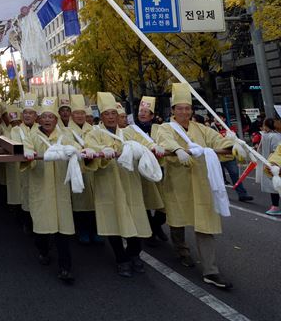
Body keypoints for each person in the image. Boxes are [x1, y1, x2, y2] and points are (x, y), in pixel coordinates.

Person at [157, 83, 245, 289]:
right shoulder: (165, 127)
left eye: (188, 108)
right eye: (180, 108)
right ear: (173, 110)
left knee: (205, 224)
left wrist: (233, 145)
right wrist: (178, 149)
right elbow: (164, 140)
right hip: (178, 183)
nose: (185, 112)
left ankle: (211, 271)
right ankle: (181, 250)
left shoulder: (201, 128)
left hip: (202, 182)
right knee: (178, 220)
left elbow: (217, 141)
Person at [84, 92, 160, 277]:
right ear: (101, 116)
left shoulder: (129, 132)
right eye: (107, 114)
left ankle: (134, 254)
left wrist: (154, 148)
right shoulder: (93, 133)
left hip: (130, 183)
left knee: (137, 221)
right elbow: (89, 149)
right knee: (113, 222)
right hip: (108, 184)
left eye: (113, 113)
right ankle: (121, 259)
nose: (111, 117)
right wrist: (102, 150)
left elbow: (147, 143)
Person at [23, 97, 78, 284]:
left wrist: (77, 152)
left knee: (62, 231)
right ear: (39, 119)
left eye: (51, 117)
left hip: (60, 190)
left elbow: (77, 149)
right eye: (44, 116)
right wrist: (28, 156)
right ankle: (43, 250)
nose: (47, 120)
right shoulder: (32, 136)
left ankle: (66, 268)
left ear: (56, 120)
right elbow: (26, 151)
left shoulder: (65, 136)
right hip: (41, 189)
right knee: (41, 229)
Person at [65, 95, 100, 245]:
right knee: (80, 203)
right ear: (72, 115)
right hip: (78, 170)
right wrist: (83, 150)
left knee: (94, 203)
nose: (80, 116)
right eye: (77, 113)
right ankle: (82, 230)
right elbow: (68, 145)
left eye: (82, 113)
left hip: (93, 170)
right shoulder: (66, 131)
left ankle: (95, 230)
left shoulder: (92, 129)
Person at [133, 96, 167, 247]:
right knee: (145, 202)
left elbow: (166, 142)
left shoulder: (160, 129)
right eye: (141, 111)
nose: (142, 114)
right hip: (140, 169)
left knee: (164, 205)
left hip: (158, 168)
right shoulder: (131, 129)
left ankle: (156, 224)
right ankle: (150, 233)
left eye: (146, 111)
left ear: (152, 115)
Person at [9, 93, 39, 235]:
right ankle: (28, 225)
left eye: (31, 113)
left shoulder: (41, 129)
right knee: (27, 198)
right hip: (26, 170)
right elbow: (18, 146)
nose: (27, 116)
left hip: (41, 171)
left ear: (36, 115)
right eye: (25, 113)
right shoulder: (16, 130)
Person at [212, 113, 253, 202]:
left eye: (220, 118)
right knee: (219, 177)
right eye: (215, 118)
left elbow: (237, 140)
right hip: (217, 157)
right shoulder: (211, 129)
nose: (217, 119)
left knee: (235, 175)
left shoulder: (229, 129)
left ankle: (242, 194)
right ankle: (221, 195)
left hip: (230, 157)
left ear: (224, 119)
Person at [259, 118, 281, 215]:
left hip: (272, 163)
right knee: (276, 185)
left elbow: (276, 151)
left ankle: (275, 207)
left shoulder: (270, 136)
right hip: (273, 163)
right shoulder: (273, 136)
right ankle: (275, 207)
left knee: (275, 185)